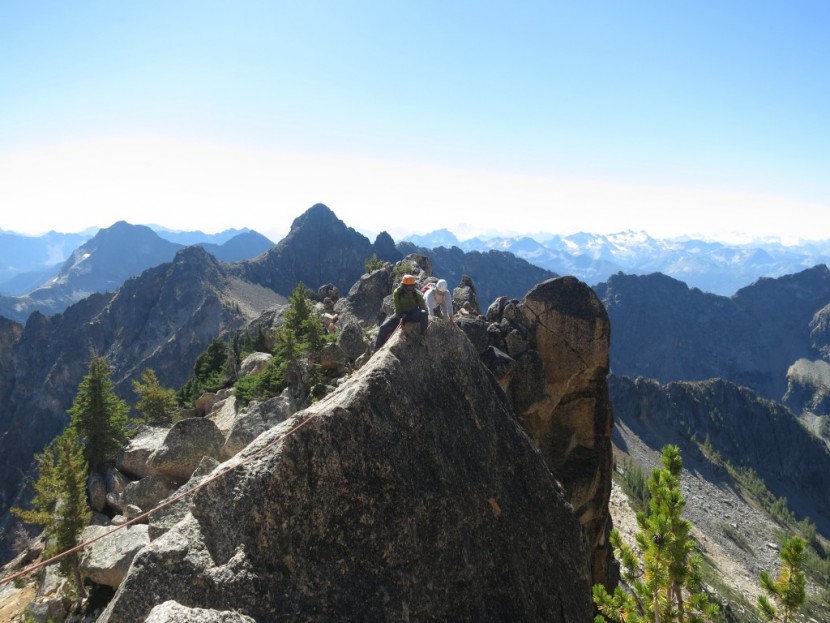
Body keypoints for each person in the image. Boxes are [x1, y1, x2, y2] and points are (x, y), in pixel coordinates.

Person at [374, 274, 428, 351]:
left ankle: (423, 336)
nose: (411, 289)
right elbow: (398, 307)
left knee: (424, 313)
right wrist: (400, 317)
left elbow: (423, 309)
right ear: (404, 286)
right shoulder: (397, 293)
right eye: (409, 287)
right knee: (383, 328)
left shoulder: (417, 294)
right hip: (401, 314)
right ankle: (377, 348)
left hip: (413, 314)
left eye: (412, 286)